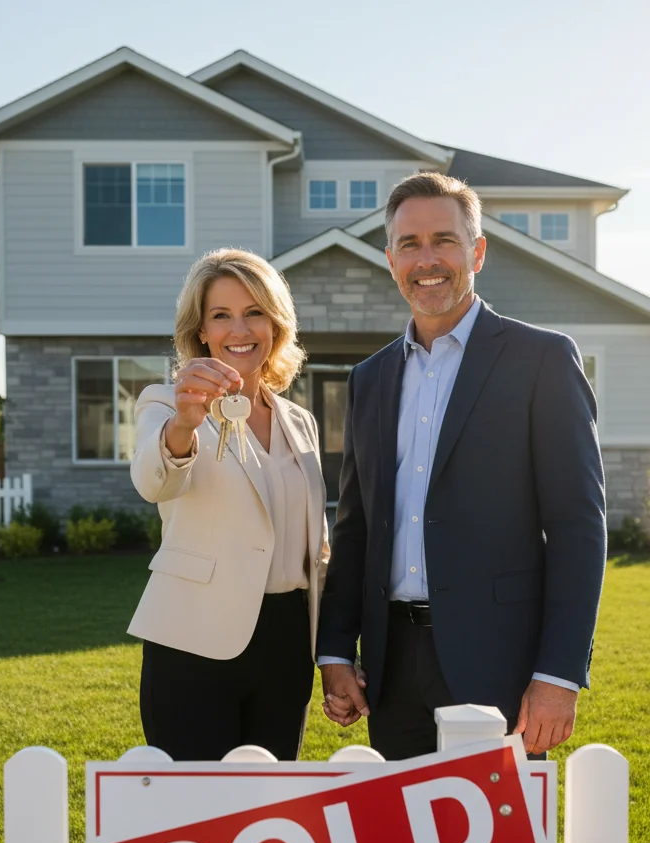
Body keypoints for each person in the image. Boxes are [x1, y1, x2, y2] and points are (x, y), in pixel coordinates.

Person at [317, 173, 607, 762]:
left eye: (444, 241)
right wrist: (335, 653)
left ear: (477, 251)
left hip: (499, 665)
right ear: (391, 258)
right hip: (390, 671)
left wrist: (559, 673)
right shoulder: (369, 379)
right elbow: (355, 527)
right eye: (409, 244)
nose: (428, 260)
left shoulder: (542, 360)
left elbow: (579, 526)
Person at [128, 248, 329, 761]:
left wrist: (329, 653)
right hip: (192, 638)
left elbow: (316, 549)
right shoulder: (166, 403)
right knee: (197, 817)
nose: (239, 328)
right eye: (221, 315)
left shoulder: (298, 422)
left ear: (275, 324)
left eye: (254, 312)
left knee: (269, 817)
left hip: (287, 646)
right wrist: (184, 424)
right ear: (201, 331)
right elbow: (155, 481)